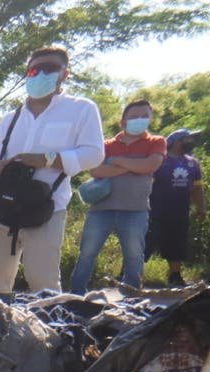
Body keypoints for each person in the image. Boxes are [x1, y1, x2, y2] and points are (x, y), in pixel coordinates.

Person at [0, 46, 105, 295]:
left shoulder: (81, 109)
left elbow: (94, 154)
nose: (42, 74)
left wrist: (47, 160)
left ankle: (50, 321)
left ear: (65, 74)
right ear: (27, 73)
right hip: (1, 209)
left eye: (50, 68)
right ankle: (0, 320)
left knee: (42, 282)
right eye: (35, 69)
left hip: (45, 209)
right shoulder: (11, 118)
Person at [70, 99, 166, 294]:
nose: (140, 119)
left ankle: (131, 296)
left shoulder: (156, 142)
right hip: (101, 209)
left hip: (135, 210)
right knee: (87, 253)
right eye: (134, 116)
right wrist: (134, 166)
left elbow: (151, 166)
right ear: (123, 122)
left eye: (144, 116)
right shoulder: (105, 145)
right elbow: (96, 171)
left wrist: (116, 161)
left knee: (134, 255)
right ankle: (76, 294)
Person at [147, 128, 205, 286]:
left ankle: (175, 276)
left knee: (177, 243)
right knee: (146, 241)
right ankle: (128, 274)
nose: (192, 142)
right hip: (155, 209)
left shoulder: (192, 163)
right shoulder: (160, 160)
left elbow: (197, 188)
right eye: (188, 139)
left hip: (180, 210)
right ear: (176, 142)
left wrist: (201, 208)